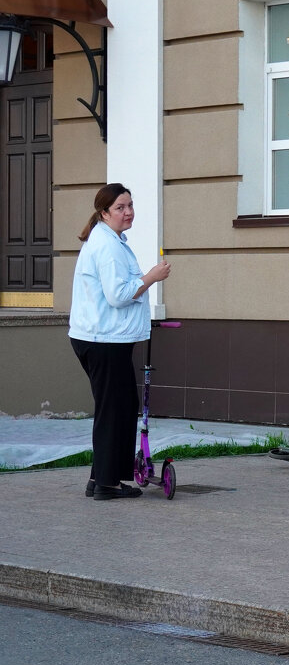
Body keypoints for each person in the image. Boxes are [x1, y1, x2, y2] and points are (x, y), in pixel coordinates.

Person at [68, 183, 171, 501]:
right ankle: (106, 485)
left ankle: (100, 478)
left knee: (116, 408)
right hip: (103, 340)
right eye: (120, 208)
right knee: (115, 410)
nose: (128, 212)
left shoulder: (107, 239)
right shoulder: (108, 246)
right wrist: (151, 277)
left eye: (130, 205)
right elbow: (117, 295)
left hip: (101, 337)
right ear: (104, 212)